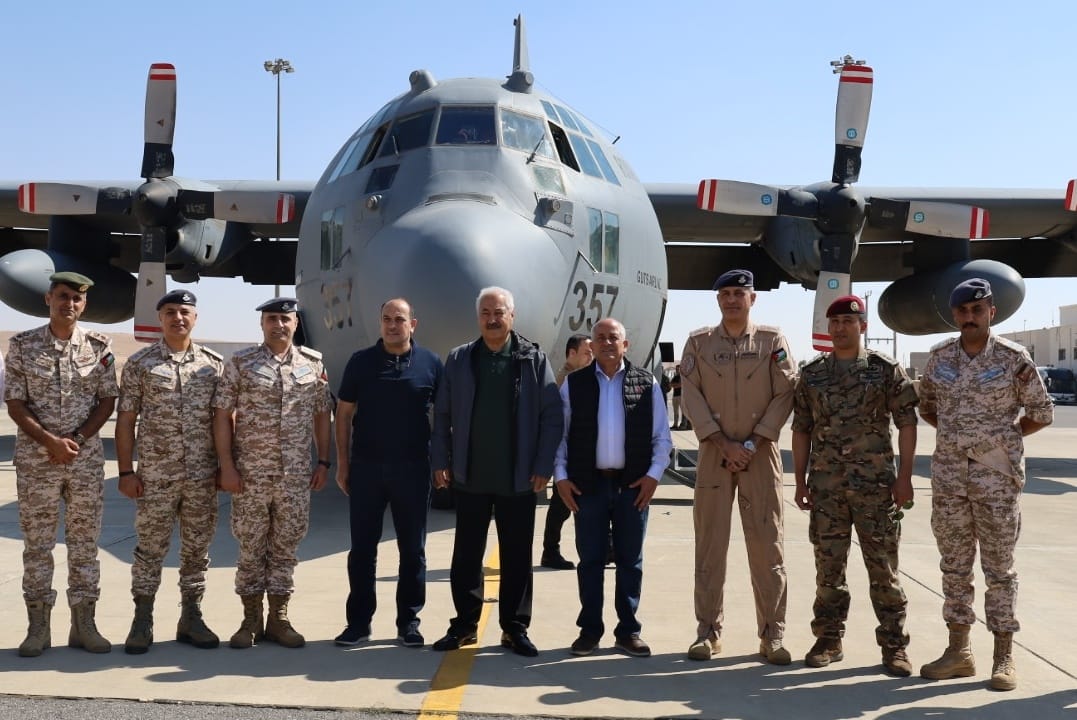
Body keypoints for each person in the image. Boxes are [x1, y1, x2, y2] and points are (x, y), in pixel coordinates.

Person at [917, 278, 1053, 691]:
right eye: (963, 310)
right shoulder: (940, 357)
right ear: (954, 315)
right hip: (949, 480)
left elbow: (1041, 412)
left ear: (991, 312)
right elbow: (927, 407)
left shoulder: (1014, 358)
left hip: (996, 480)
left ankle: (1003, 655)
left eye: (978, 310)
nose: (970, 317)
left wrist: (1002, 440)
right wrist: (958, 438)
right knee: (954, 566)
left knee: (999, 569)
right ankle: (959, 652)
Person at [431, 286, 563, 657]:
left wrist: (543, 465)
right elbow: (442, 414)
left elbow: (553, 416)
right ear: (478, 317)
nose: (492, 319)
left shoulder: (533, 359)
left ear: (511, 316)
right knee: (466, 557)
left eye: (499, 312)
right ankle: (464, 625)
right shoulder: (460, 359)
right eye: (486, 313)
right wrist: (440, 460)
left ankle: (515, 628)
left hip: (518, 478)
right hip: (470, 476)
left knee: (517, 557)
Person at [791, 295, 918, 676]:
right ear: (828, 328)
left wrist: (905, 478)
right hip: (827, 489)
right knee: (828, 569)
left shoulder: (885, 370)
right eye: (835, 322)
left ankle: (894, 645)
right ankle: (829, 639)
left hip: (876, 489)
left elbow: (907, 423)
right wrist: (799, 480)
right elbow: (801, 429)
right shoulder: (812, 374)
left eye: (849, 321)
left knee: (884, 571)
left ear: (863, 326)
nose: (841, 328)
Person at [679, 269, 797, 664]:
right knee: (709, 547)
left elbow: (785, 393)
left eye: (739, 293)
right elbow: (691, 396)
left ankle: (772, 635)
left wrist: (752, 442)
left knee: (768, 549)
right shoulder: (699, 344)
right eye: (725, 294)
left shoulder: (771, 341)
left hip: (759, 456)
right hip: (714, 454)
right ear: (718, 300)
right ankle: (707, 632)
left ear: (752, 299)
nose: (732, 300)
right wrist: (722, 442)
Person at [4, 271, 118, 656]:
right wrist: (49, 441)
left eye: (77, 298)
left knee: (85, 545)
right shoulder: (22, 346)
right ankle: (38, 628)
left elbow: (107, 400)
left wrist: (78, 440)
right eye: (63, 296)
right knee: (38, 545)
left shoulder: (100, 347)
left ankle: (84, 625)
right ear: (48, 299)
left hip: (84, 463)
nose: (70, 303)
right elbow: (15, 403)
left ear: (84, 304)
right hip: (37, 462)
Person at [213, 297, 333, 649]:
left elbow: (321, 415)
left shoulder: (313, 364)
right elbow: (222, 415)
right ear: (262, 324)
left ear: (296, 323)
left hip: (294, 476)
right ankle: (250, 620)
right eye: (271, 319)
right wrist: (227, 466)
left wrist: (323, 462)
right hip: (250, 476)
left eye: (284, 318)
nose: (278, 325)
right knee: (250, 547)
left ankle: (279, 619)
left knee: (285, 547)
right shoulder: (241, 363)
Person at [553, 318, 672, 657]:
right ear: (591, 345)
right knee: (590, 561)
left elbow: (661, 437)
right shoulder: (574, 384)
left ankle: (628, 631)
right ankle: (590, 630)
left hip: (632, 486)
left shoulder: (645, 382)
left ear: (625, 345)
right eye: (600, 338)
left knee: (630, 561)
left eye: (613, 337)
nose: (607, 343)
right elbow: (561, 435)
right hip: (587, 486)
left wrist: (653, 476)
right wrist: (560, 477)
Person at [115, 290, 224, 654]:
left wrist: (225, 466)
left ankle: (191, 617)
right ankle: (142, 620)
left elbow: (224, 420)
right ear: (160, 318)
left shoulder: (213, 365)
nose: (178, 318)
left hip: (201, 477)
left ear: (195, 318)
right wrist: (126, 471)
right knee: (149, 549)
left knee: (197, 550)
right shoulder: (141, 364)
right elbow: (126, 420)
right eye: (171, 312)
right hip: (155, 478)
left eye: (185, 312)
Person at [333, 298, 443, 648]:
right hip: (367, 470)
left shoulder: (430, 363)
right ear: (380, 323)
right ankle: (358, 623)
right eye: (386, 319)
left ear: (413, 324)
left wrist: (442, 462)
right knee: (362, 551)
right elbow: (344, 414)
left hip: (413, 470)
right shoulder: (361, 362)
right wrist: (343, 464)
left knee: (413, 551)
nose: (393, 325)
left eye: (399, 319)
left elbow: (444, 416)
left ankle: (408, 622)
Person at [541, 333, 593, 571]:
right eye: (587, 353)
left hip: (577, 454)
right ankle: (550, 551)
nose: (591, 357)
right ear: (572, 354)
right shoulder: (566, 381)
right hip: (569, 455)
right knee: (561, 507)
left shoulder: (577, 378)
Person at [670, 366, 684, 430]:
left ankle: (683, 424)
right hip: (674, 396)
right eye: (676, 369)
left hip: (681, 396)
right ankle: (675, 424)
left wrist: (675, 385)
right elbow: (670, 384)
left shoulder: (682, 377)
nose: (677, 370)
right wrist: (676, 385)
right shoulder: (675, 377)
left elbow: (680, 385)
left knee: (683, 411)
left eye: (678, 369)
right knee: (675, 411)